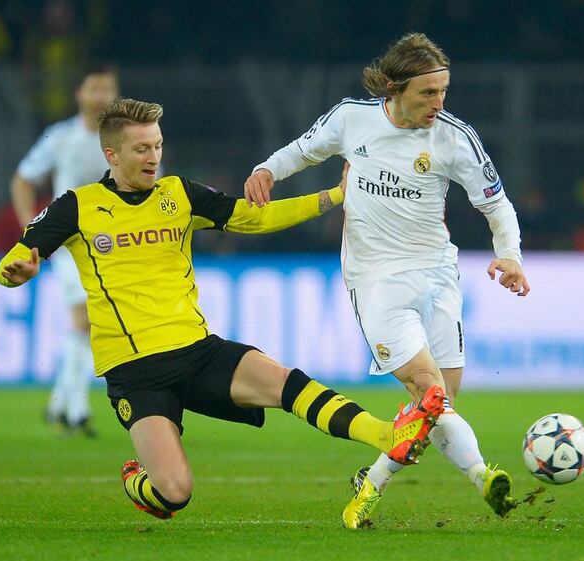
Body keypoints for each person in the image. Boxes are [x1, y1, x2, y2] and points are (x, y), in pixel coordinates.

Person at [0, 98, 446, 521]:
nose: (153, 156)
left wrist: (332, 196)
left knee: (285, 382)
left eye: (157, 145)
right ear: (111, 154)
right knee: (174, 493)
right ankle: (139, 481)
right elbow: (19, 256)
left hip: (197, 351)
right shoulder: (78, 206)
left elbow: (254, 216)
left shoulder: (179, 194)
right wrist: (14, 271)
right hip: (135, 371)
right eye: (141, 149)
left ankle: (389, 435)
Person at [244, 32, 530, 529]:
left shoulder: (454, 138)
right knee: (432, 396)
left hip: (439, 274)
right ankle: (484, 477)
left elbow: (495, 203)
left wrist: (510, 255)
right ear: (394, 89)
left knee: (438, 408)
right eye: (428, 93)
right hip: (376, 281)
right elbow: (304, 150)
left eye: (444, 92)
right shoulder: (352, 118)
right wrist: (267, 170)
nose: (438, 104)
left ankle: (370, 482)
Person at [10, 65, 119, 436]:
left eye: (107, 89)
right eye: (94, 88)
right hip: (70, 243)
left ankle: (59, 403)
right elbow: (23, 180)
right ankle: (77, 410)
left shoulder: (126, 140)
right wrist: (32, 234)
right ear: (80, 94)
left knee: (92, 322)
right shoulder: (61, 137)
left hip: (112, 246)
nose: (101, 95)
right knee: (84, 318)